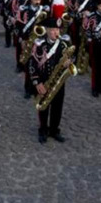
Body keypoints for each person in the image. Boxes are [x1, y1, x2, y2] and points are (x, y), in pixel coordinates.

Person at [29, 13, 72, 144]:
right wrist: (37, 83)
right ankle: (42, 129)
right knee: (43, 106)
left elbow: (71, 57)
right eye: (52, 30)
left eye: (58, 30)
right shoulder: (39, 44)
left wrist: (69, 62)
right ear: (46, 30)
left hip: (58, 81)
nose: (55, 32)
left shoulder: (64, 44)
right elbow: (32, 64)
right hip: (44, 80)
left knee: (57, 106)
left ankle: (54, 130)